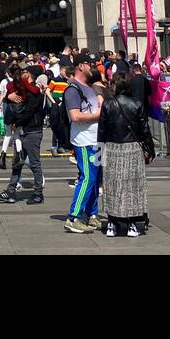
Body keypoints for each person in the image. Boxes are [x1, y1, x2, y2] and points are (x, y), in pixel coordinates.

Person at [98, 70, 150, 237]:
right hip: (132, 147)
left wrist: (100, 153)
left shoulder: (107, 104)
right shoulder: (136, 103)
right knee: (133, 187)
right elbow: (144, 129)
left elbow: (102, 130)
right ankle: (131, 224)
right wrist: (149, 149)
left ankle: (112, 223)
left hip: (112, 147)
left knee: (112, 185)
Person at [0, 65, 46, 205]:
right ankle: (10, 190)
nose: (22, 74)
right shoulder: (23, 88)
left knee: (34, 163)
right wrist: (8, 97)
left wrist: (16, 123)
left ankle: (38, 193)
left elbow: (28, 112)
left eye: (25, 72)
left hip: (32, 131)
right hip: (22, 130)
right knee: (17, 162)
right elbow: (10, 102)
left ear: (30, 75)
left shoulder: (35, 92)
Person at [64, 53, 103, 233]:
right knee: (88, 178)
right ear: (80, 66)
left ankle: (91, 213)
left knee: (96, 179)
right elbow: (75, 116)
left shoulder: (90, 87)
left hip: (97, 139)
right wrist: (98, 115)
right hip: (85, 140)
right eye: (90, 64)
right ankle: (74, 216)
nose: (93, 67)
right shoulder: (73, 89)